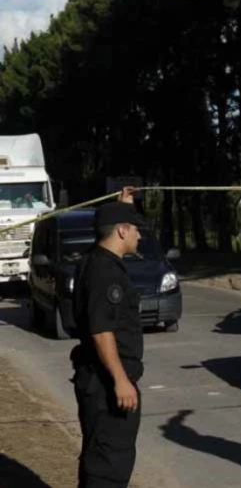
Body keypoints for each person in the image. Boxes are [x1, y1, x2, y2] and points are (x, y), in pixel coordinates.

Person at [70, 187, 145, 488]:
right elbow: (102, 330)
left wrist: (123, 206)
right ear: (122, 231)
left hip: (98, 381)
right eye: (135, 228)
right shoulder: (105, 272)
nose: (139, 235)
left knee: (101, 458)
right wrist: (120, 379)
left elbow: (110, 226)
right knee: (108, 465)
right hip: (106, 385)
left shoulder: (95, 260)